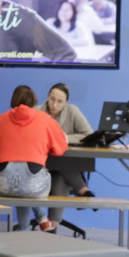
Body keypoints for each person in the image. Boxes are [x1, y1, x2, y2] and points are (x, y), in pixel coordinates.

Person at [0, 85, 68, 232]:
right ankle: (41, 218)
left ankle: (24, 227)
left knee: (22, 184)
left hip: (2, 186)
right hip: (34, 186)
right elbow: (60, 149)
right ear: (34, 101)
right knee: (28, 185)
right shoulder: (46, 120)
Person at [35, 83, 96, 227]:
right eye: (52, 99)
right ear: (48, 97)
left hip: (64, 165)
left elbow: (89, 134)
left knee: (60, 176)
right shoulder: (36, 112)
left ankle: (52, 226)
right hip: (41, 165)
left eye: (60, 101)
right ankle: (83, 190)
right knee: (58, 164)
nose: (54, 104)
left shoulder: (72, 111)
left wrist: (65, 138)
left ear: (66, 102)